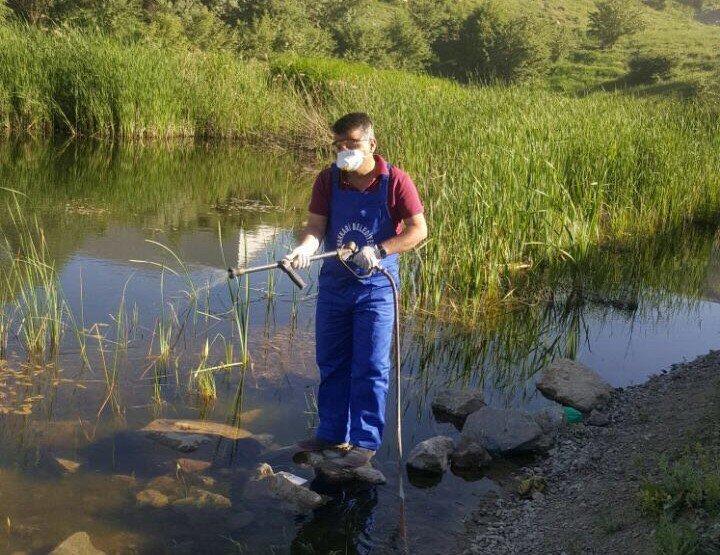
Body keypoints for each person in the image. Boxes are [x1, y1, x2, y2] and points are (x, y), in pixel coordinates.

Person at [285, 112, 427, 468]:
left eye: (352, 143)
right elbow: (316, 226)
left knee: (370, 366)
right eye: (338, 145)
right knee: (332, 362)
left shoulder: (395, 181)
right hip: (335, 286)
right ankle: (332, 433)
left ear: (371, 144)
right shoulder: (328, 179)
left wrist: (380, 250)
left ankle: (364, 442)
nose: (344, 150)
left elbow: (418, 230)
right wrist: (305, 248)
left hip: (376, 289)